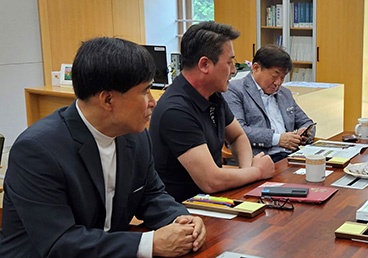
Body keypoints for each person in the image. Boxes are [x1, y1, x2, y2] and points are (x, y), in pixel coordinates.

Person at [0, 37, 205, 257]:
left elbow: (152, 195)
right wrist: (149, 244)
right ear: (108, 100)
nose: (153, 101)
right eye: (145, 91)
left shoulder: (135, 137)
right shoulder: (37, 150)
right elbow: (59, 242)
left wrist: (181, 220)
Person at [150, 21, 277, 203]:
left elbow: (238, 137)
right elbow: (211, 181)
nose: (234, 70)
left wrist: (247, 170)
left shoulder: (213, 95)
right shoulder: (176, 110)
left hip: (212, 201)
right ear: (204, 65)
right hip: (182, 211)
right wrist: (256, 172)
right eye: (229, 62)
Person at [224, 45, 315, 162]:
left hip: (291, 156)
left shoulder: (284, 93)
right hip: (257, 159)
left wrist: (304, 132)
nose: (278, 83)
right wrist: (277, 139)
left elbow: (307, 122)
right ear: (256, 68)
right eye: (274, 76)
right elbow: (239, 130)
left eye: (282, 78)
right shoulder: (234, 90)